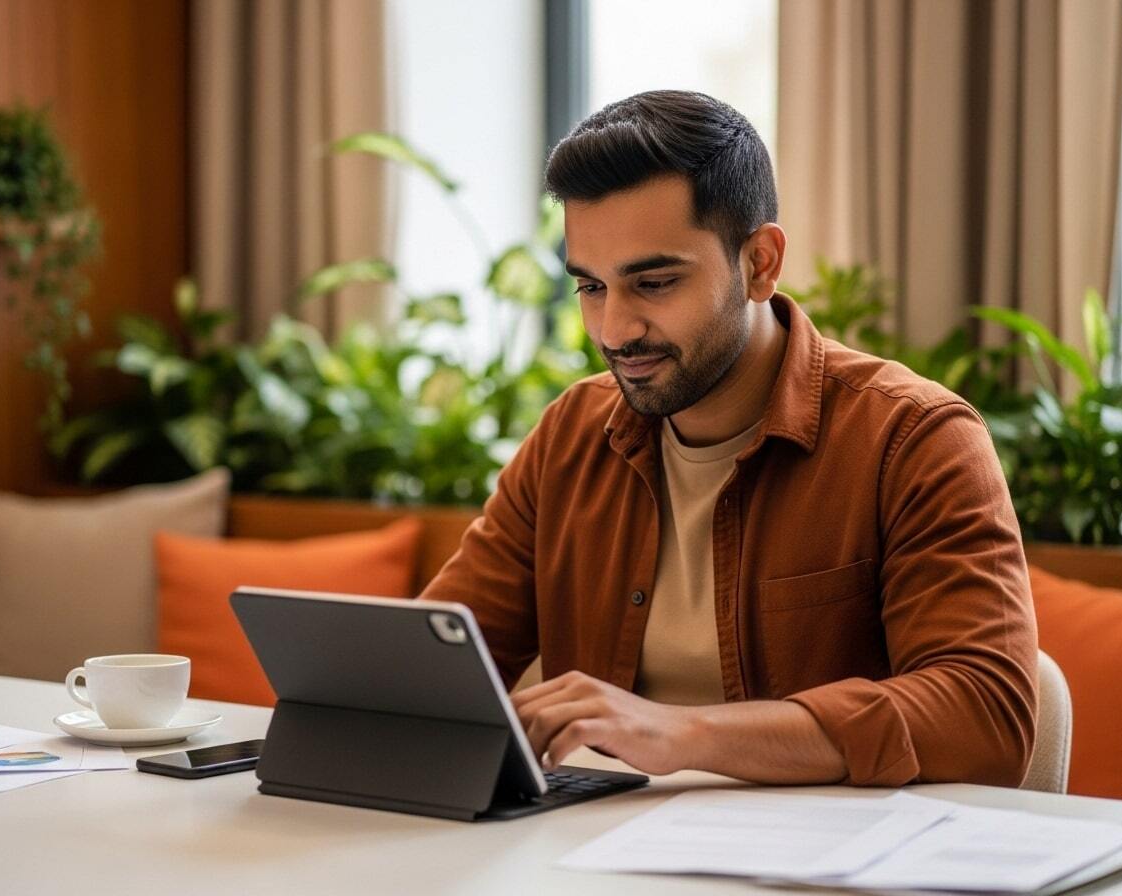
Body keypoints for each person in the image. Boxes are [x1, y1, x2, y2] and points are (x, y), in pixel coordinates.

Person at [421, 90, 1037, 787]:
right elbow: (437, 668)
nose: (614, 330)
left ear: (760, 263)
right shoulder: (572, 436)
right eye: (590, 288)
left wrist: (685, 733)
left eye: (653, 282)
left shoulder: (914, 439)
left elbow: (987, 717)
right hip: (586, 861)